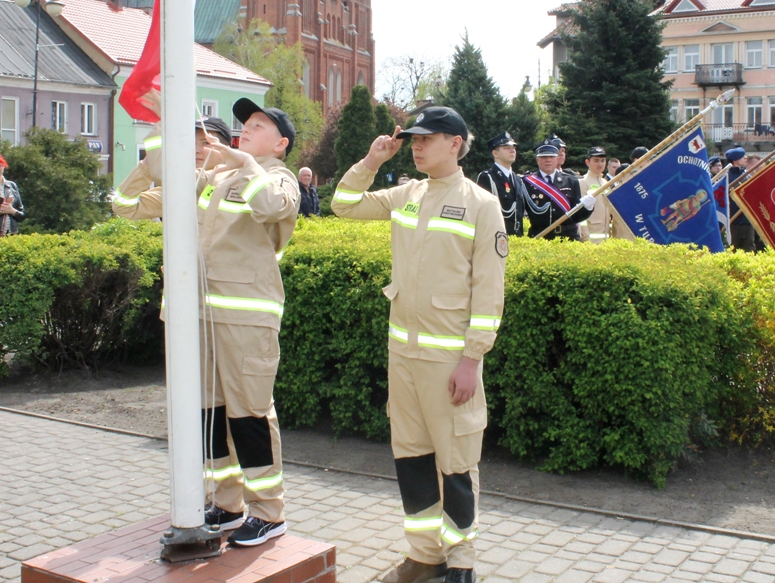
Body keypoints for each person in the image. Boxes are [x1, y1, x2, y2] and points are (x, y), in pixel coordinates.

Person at [330, 106, 505, 583]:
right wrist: (371, 161)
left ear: (456, 142)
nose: (417, 146)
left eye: (427, 138)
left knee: (456, 462)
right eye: (413, 139)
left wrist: (472, 359)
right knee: (411, 456)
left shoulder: (480, 204)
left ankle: (462, 561)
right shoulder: (407, 194)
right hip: (402, 355)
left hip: (448, 359)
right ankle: (424, 553)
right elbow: (343, 204)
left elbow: (489, 291)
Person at [113, 103, 299, 548]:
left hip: (246, 317)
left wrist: (246, 162)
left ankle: (269, 513)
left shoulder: (277, 178)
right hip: (198, 316)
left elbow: (271, 206)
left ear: (280, 144)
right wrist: (158, 144)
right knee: (209, 414)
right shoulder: (210, 181)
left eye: (258, 127)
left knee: (250, 414)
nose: (245, 131)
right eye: (245, 126)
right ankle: (227, 503)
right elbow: (126, 207)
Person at [522, 139, 595, 240]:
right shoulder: (526, 183)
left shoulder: (571, 181)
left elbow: (576, 217)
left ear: (557, 159)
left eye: (551, 157)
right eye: (543, 157)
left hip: (568, 237)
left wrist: (588, 208)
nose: (548, 160)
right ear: (537, 160)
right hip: (540, 238)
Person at [475, 132, 525, 236]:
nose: (512, 150)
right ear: (495, 153)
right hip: (496, 237)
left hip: (517, 239)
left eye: (513, 147)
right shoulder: (487, 177)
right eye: (506, 148)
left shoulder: (517, 179)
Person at [578, 147, 612, 244]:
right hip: (591, 240)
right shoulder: (583, 182)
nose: (600, 164)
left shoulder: (605, 183)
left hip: (606, 239)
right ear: (587, 162)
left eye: (602, 160)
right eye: (596, 161)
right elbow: (580, 214)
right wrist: (585, 238)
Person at [726, 147, 756, 252]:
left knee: (749, 249)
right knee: (733, 249)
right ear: (735, 161)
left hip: (747, 218)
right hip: (733, 220)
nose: (745, 158)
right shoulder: (727, 176)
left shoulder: (747, 174)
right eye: (742, 157)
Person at [0, 153, 26, 236]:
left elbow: (22, 215)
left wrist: (12, 211)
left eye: (0, 165)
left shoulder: (12, 186)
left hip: (11, 236)